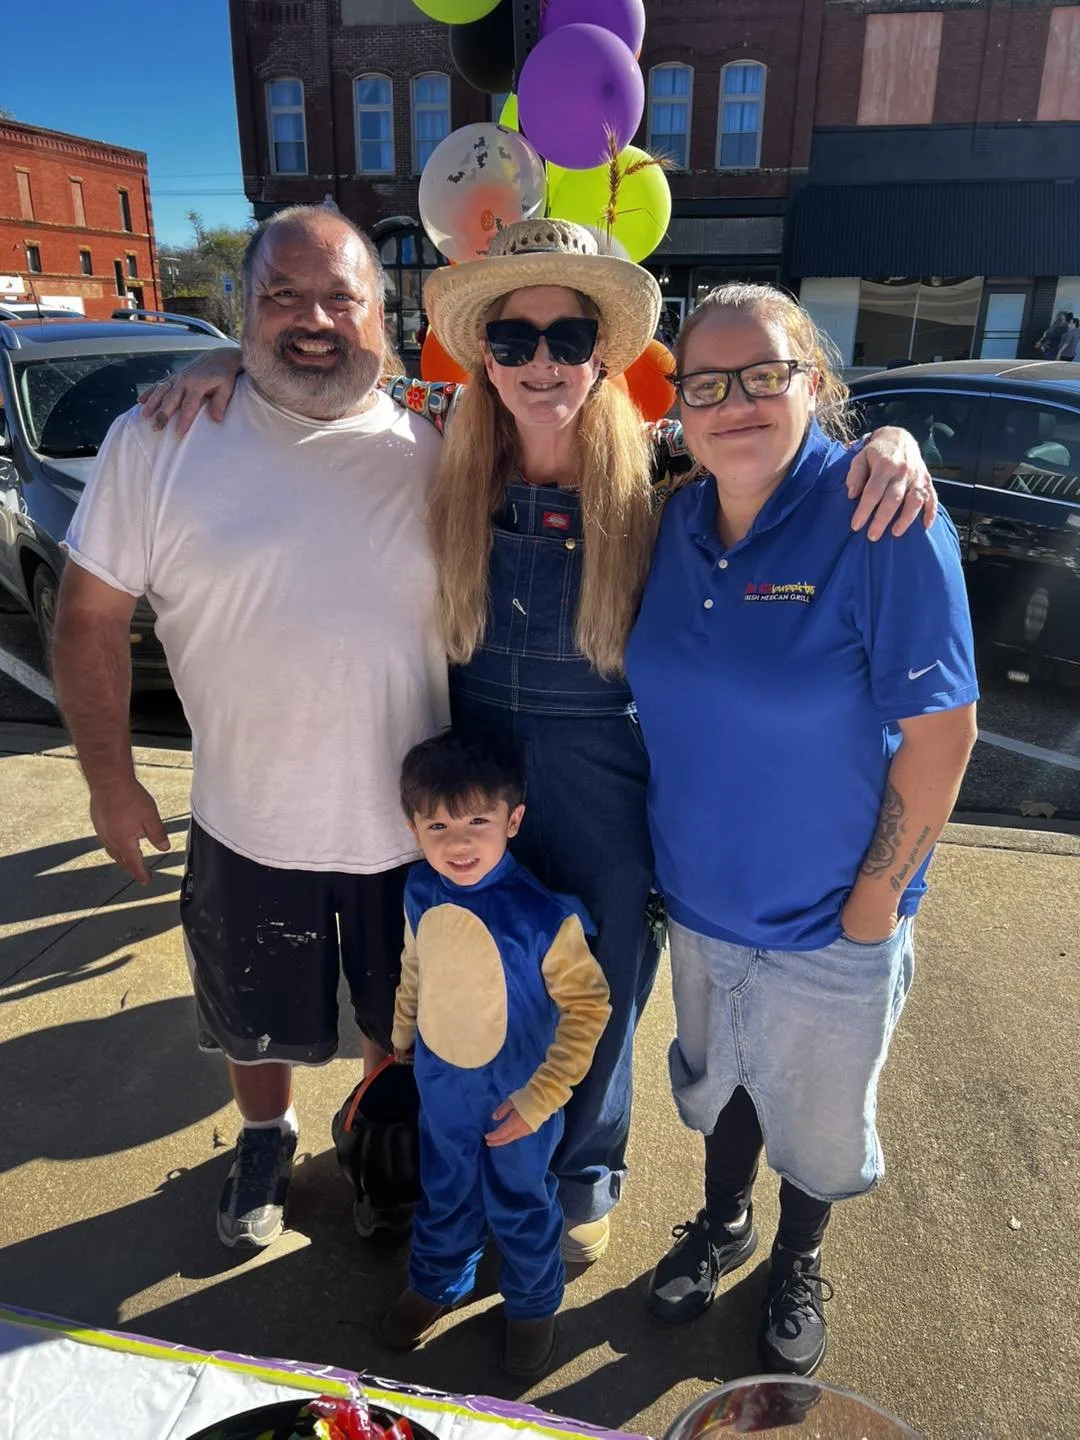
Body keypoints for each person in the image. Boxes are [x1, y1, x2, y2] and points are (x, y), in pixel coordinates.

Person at [141, 218, 936, 1268]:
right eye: (512, 343)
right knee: (472, 979)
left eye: (567, 335)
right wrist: (220, 358)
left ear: (605, 349)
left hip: (605, 778)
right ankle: (463, 1158)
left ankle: (583, 1173)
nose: (541, 362)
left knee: (597, 989)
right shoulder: (435, 459)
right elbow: (315, 417)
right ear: (482, 360)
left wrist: (889, 442)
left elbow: (783, 456)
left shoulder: (663, 483)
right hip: (469, 760)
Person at [51, 205, 448, 1252]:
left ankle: (376, 1147)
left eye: (339, 299)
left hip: (409, 830)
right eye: (280, 297)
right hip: (245, 816)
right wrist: (110, 781)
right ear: (241, 312)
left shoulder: (440, 445)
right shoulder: (162, 439)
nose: (312, 321)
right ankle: (265, 1136)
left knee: (393, 1021)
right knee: (247, 1013)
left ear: (382, 316)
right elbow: (89, 620)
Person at [623, 283, 979, 1376]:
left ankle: (797, 1255)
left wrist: (875, 904)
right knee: (724, 1086)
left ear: (812, 383)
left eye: (763, 375)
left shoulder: (881, 518)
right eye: (708, 384)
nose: (735, 402)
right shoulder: (674, 521)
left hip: (832, 917)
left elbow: (943, 735)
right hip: (702, 900)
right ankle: (724, 1223)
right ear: (679, 403)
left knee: (818, 1127)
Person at [380, 730, 610, 1377]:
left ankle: (534, 1305)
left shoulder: (543, 916)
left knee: (521, 1202)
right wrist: (401, 1036)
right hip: (442, 1087)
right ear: (413, 826)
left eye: (477, 821)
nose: (458, 842)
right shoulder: (420, 891)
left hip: (518, 1101)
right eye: (439, 824)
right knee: (444, 1190)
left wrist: (541, 1099)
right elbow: (415, 967)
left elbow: (589, 1009)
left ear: (513, 820)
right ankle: (436, 1283)